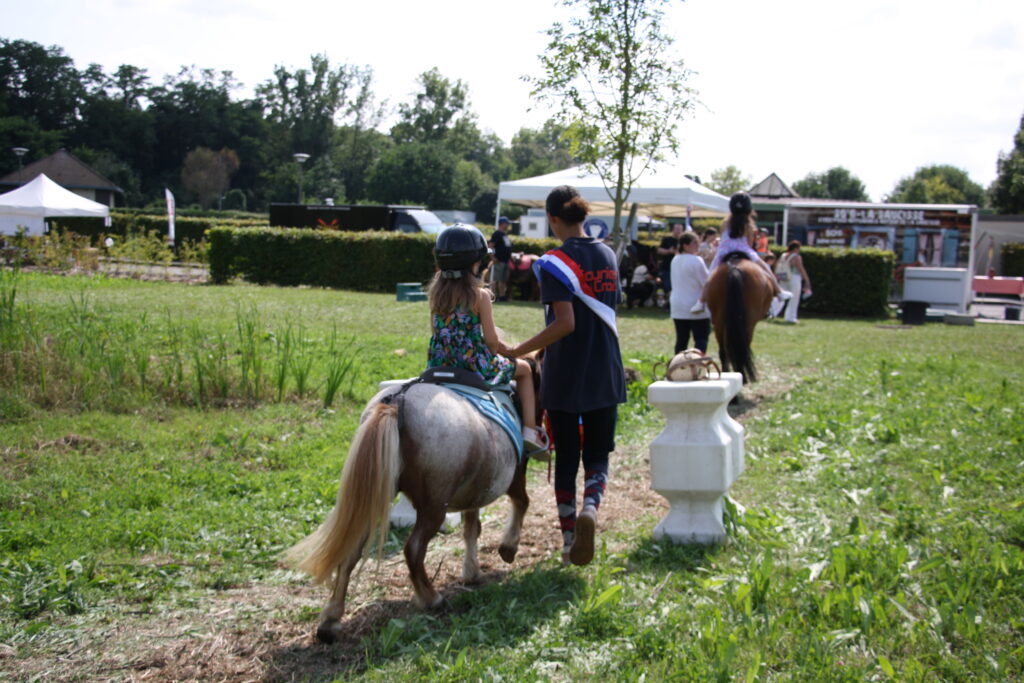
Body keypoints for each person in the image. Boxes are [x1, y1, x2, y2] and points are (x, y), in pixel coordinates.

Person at [502, 185, 625, 567]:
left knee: (566, 459)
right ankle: (591, 505)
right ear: (583, 216)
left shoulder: (554, 262)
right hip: (604, 369)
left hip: (565, 374)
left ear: (553, 219)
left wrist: (517, 350)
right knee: (597, 456)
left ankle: (570, 538)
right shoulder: (608, 254)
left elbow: (565, 323)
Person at [426, 224, 548, 454]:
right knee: (524, 369)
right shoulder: (479, 295)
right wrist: (507, 350)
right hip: (474, 365)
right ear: (476, 264)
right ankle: (531, 431)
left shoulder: (436, 292)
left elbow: (436, 330)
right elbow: (491, 341)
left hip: (439, 362)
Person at [690, 192, 792, 314]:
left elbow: (723, 236)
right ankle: (779, 292)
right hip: (743, 250)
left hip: (724, 250)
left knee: (710, 276)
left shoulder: (725, 222)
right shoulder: (748, 224)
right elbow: (749, 243)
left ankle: (700, 302)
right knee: (765, 268)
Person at [669, 232, 711, 353]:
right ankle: (697, 365)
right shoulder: (696, 260)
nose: (698, 245)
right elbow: (706, 283)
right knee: (701, 338)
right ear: (685, 245)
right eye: (694, 242)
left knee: (681, 340)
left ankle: (679, 368)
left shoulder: (675, 260)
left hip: (678, 306)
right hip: (695, 304)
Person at [775, 240, 812, 324]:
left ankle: (773, 312)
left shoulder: (783, 255)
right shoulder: (796, 257)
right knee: (794, 298)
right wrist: (807, 280)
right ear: (796, 248)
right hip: (794, 277)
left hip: (783, 277)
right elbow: (801, 268)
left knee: (781, 296)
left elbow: (777, 265)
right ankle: (790, 317)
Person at [488, 216, 513, 302]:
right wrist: (492, 257)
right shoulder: (497, 234)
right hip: (498, 260)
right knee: (496, 279)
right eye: (506, 224)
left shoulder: (504, 234)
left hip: (505, 261)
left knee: (503, 280)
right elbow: (490, 246)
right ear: (502, 224)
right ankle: (493, 296)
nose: (507, 225)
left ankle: (502, 296)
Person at [657, 223, 684, 297]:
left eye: (680, 229)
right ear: (673, 230)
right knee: (667, 285)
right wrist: (668, 251)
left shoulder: (683, 242)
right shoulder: (667, 240)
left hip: (680, 268)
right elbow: (659, 250)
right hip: (667, 267)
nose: (678, 231)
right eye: (677, 229)